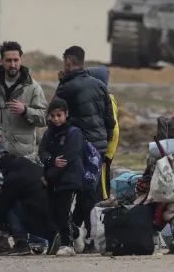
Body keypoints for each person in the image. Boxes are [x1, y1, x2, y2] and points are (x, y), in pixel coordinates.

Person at [55, 46, 115, 252]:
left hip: (78, 146)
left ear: (68, 62)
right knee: (92, 193)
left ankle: (70, 230)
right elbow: (110, 119)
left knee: (71, 191)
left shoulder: (66, 88)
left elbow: (56, 115)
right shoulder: (100, 85)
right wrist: (105, 139)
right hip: (98, 146)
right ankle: (90, 237)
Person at [0, 41, 48, 156]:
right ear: (1, 61)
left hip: (22, 156)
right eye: (8, 60)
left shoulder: (33, 87)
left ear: (21, 59)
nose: (12, 64)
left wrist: (25, 111)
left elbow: (44, 118)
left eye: (16, 60)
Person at [0, 154, 59, 256]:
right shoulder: (36, 168)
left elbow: (4, 203)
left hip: (39, 219)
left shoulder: (12, 177)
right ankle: (58, 237)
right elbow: (24, 187)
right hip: (54, 215)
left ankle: (21, 243)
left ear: (4, 169)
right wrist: (1, 189)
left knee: (12, 205)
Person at [38, 98, 84, 257]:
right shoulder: (48, 132)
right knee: (53, 212)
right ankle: (77, 233)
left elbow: (67, 158)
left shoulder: (74, 132)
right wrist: (50, 162)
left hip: (68, 178)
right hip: (52, 178)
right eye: (53, 116)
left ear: (66, 114)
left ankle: (67, 244)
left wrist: (50, 173)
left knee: (63, 211)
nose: (56, 119)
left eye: (59, 115)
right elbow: (42, 151)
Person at [87, 66, 119, 201]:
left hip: (105, 147)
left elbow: (113, 127)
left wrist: (107, 147)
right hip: (103, 144)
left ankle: (102, 201)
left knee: (102, 178)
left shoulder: (106, 99)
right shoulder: (101, 97)